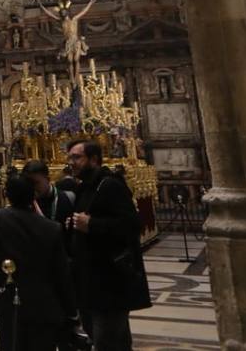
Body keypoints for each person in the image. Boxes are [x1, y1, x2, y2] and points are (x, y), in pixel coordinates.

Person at [0, 174, 80, 351]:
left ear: (7, 195)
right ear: (33, 195)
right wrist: (71, 311)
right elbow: (61, 274)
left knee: (10, 343)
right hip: (44, 301)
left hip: (8, 297)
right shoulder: (51, 228)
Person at [66, 140, 151, 349]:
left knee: (107, 340)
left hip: (110, 281)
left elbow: (131, 226)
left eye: (76, 157)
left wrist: (92, 224)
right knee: (106, 337)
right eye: (69, 158)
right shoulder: (86, 186)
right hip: (91, 279)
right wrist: (73, 223)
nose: (70, 163)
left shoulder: (110, 184)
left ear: (94, 159)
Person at [24, 159, 76, 249]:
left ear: (48, 179)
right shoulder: (25, 203)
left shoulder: (68, 198)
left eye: (36, 183)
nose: (32, 187)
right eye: (28, 183)